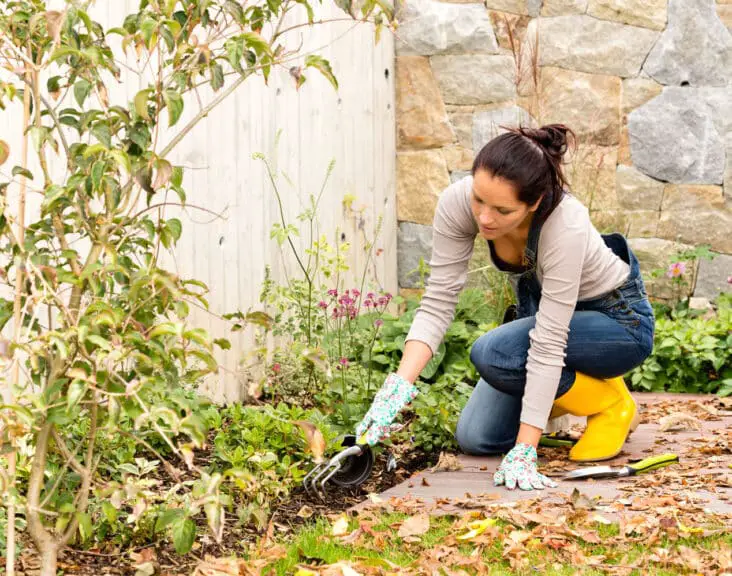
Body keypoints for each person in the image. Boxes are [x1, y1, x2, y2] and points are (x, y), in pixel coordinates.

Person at [355, 124, 655, 492]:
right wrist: (397, 388)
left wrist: (525, 450)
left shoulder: (565, 223)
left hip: (617, 324)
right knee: (477, 438)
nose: (484, 217)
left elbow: (547, 341)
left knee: (494, 353)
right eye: (479, 199)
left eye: (502, 209)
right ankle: (582, 391)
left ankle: (610, 403)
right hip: (550, 320)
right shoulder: (457, 203)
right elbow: (437, 301)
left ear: (535, 201)